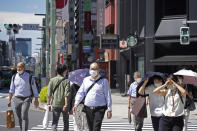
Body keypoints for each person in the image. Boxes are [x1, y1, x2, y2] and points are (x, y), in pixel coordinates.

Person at [73, 62, 112, 131]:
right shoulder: (86, 80)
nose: (93, 71)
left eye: (95, 69)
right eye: (91, 69)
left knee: (96, 128)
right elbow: (81, 93)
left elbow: (108, 95)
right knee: (90, 128)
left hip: (99, 109)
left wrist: (109, 109)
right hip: (88, 108)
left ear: (99, 70)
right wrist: (76, 103)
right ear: (89, 70)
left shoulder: (104, 81)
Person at [8, 62, 39, 131]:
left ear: (24, 68)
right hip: (16, 99)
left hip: (26, 98)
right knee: (19, 117)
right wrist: (9, 100)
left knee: (24, 115)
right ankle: (22, 129)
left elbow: (34, 89)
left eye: (20, 67)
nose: (18, 68)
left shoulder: (29, 77)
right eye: (17, 67)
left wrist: (36, 100)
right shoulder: (14, 77)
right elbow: (11, 89)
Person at [47, 64, 70, 131]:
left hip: (55, 104)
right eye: (66, 70)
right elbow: (66, 94)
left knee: (55, 122)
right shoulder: (66, 81)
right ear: (64, 71)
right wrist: (66, 104)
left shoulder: (52, 80)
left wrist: (48, 104)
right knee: (66, 121)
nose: (66, 71)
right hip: (64, 105)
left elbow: (49, 94)